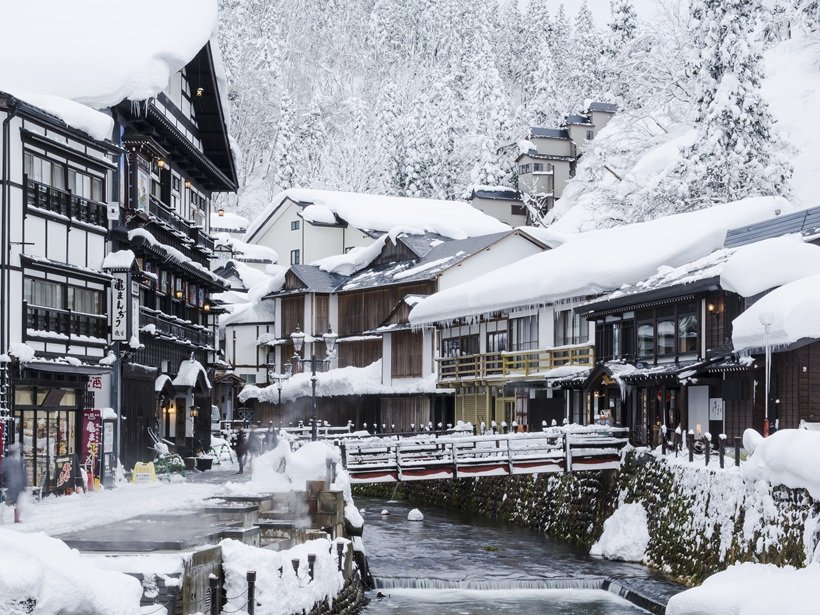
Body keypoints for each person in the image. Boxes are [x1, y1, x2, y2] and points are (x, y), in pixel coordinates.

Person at [2, 444, 27, 523]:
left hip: (10, 483)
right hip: (19, 483)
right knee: (17, 502)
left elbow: (2, 470)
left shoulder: (6, 461)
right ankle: (16, 518)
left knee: (9, 501)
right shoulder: (20, 460)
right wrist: (24, 484)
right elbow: (23, 473)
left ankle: (13, 518)